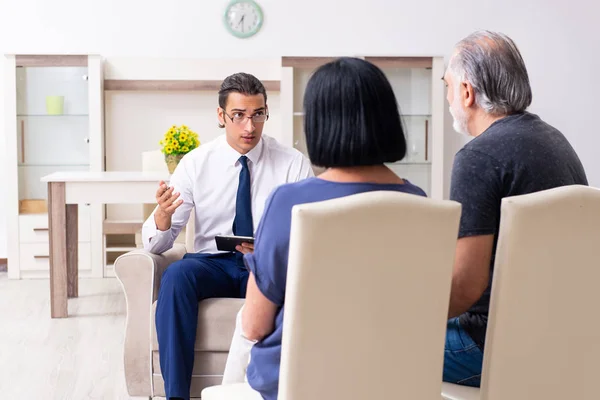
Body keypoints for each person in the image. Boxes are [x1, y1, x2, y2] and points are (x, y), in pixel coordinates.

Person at [224, 57, 428, 399]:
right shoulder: (419, 202)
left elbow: (255, 326)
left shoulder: (289, 201)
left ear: (319, 124)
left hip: (299, 383)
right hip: (391, 381)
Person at [141, 72, 314, 400]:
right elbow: (156, 243)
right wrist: (162, 217)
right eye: (239, 116)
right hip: (214, 264)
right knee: (178, 274)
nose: (249, 127)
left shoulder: (292, 164)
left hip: (268, 266)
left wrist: (271, 247)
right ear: (221, 116)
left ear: (265, 113)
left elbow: (312, 231)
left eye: (257, 115)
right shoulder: (196, 163)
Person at [442, 30, 588, 386]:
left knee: (381, 341)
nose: (447, 97)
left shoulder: (477, 157)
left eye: (446, 86)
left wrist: (409, 311)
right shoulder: (556, 142)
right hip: (564, 341)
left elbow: (466, 285)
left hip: (491, 345)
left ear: (466, 92)